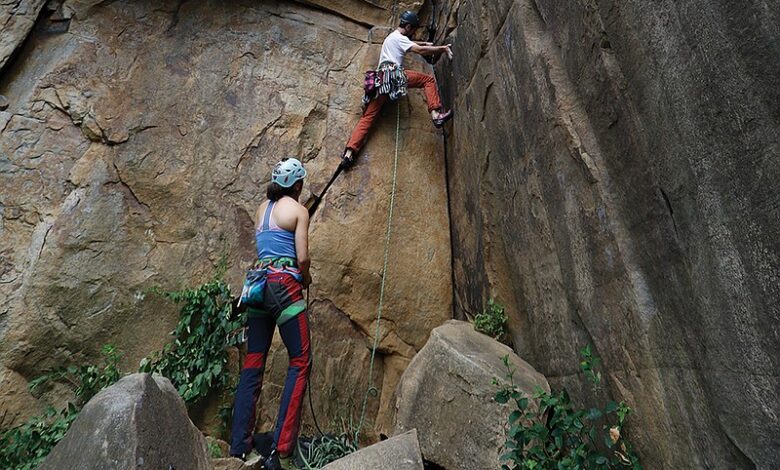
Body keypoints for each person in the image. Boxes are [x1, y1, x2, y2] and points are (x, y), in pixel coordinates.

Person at [230, 158, 312, 470]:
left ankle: (240, 446)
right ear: (299, 185)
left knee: (253, 364)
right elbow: (301, 258)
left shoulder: (261, 208)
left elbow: (273, 244)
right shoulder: (299, 211)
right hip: (283, 287)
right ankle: (281, 451)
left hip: (257, 286)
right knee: (301, 360)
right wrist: (306, 278)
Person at [342, 10, 454, 166]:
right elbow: (418, 50)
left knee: (368, 117)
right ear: (408, 26)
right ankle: (436, 115)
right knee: (427, 80)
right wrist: (442, 48)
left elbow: (411, 44)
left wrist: (425, 44)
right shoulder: (399, 39)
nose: (412, 33)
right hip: (393, 75)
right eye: (412, 30)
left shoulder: (391, 38)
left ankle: (349, 153)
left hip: (379, 81)